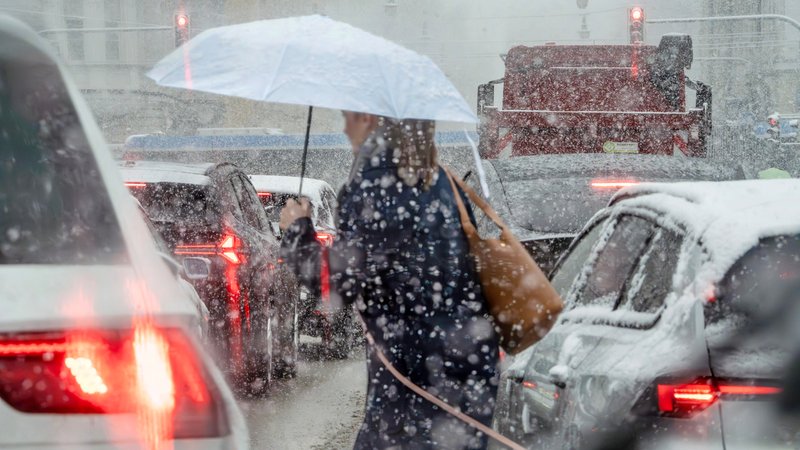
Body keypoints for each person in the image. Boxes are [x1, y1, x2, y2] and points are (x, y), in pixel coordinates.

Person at [279, 111, 500, 449]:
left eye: (348, 118)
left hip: (411, 375)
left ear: (368, 119)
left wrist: (296, 230)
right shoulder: (443, 182)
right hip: (466, 368)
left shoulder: (374, 187)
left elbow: (335, 283)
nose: (344, 127)